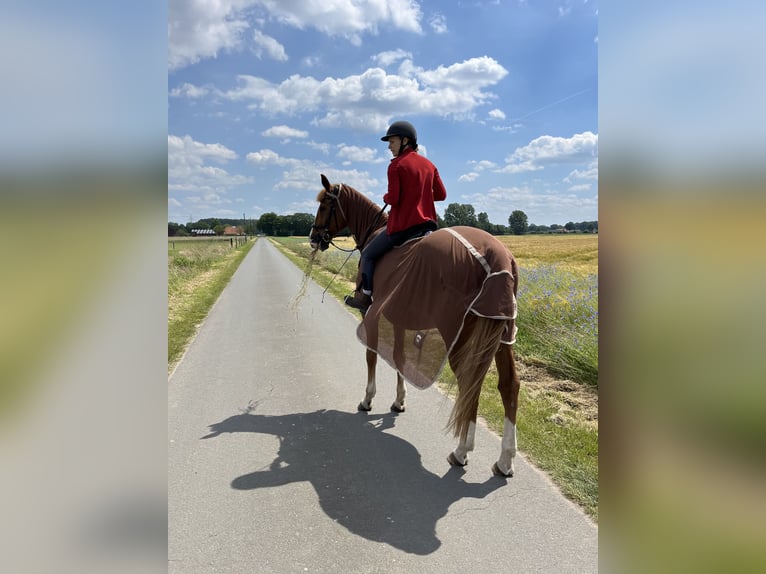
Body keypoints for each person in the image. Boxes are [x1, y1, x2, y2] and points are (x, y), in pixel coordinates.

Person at [344, 120, 447, 314]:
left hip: (403, 228)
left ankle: (364, 297)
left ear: (405, 140)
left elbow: (394, 199)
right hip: (428, 227)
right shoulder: (430, 165)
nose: (389, 147)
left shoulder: (396, 166)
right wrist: (420, 196)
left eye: (392, 142)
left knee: (367, 255)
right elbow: (441, 195)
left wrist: (386, 197)